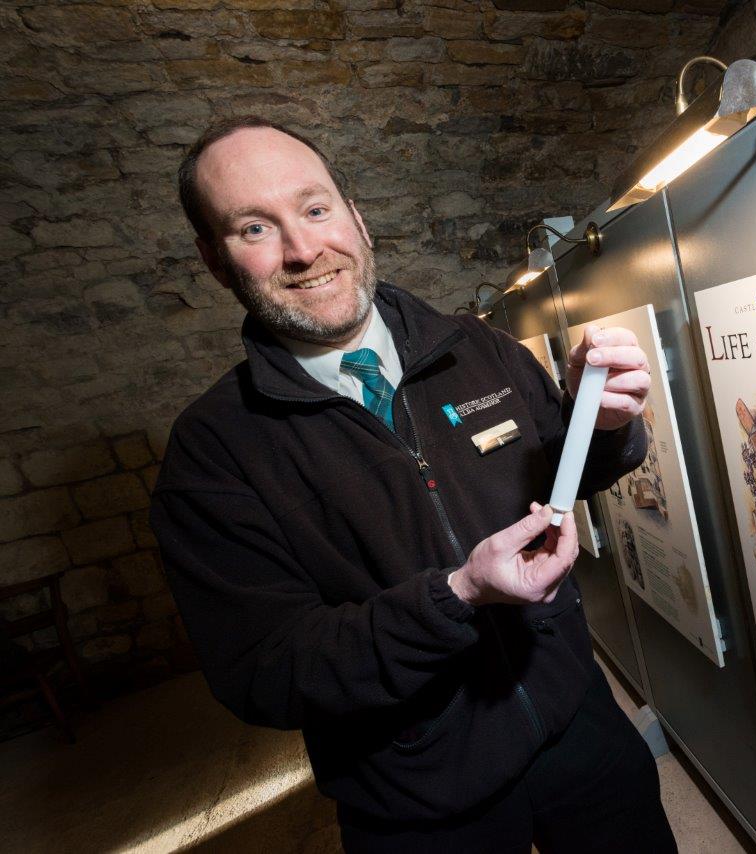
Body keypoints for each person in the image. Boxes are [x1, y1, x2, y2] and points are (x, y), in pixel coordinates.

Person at [150, 116, 676, 853]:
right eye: (254, 228)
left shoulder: (479, 347)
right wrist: (456, 597)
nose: (304, 250)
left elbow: (565, 474)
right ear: (214, 258)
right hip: (415, 799)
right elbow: (262, 671)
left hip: (576, 726)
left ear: (357, 217)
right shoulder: (213, 453)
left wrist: (606, 420)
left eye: (314, 208)